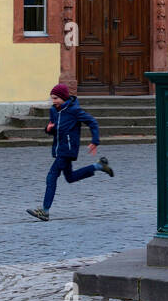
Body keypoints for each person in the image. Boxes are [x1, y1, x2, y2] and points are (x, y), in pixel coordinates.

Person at [26, 82, 113, 222]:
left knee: (51, 176)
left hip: (68, 149)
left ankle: (45, 211)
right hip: (59, 148)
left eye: (55, 98)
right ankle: (98, 166)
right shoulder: (54, 110)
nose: (53, 101)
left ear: (63, 98)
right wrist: (48, 129)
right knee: (70, 177)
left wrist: (95, 141)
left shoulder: (74, 110)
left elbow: (92, 122)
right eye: (52, 98)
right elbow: (55, 129)